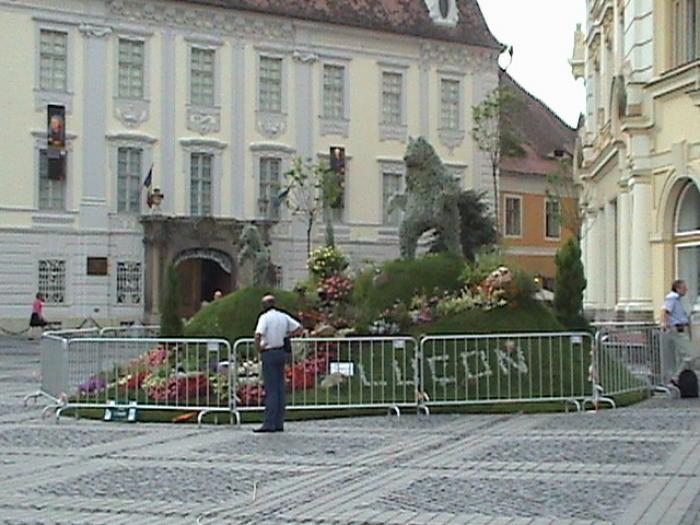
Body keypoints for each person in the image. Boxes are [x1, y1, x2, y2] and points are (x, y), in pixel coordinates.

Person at [253, 294, 302, 433]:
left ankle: (269, 422)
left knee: (271, 389)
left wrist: (258, 347)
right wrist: (286, 335)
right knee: (280, 387)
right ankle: (279, 422)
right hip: (281, 351)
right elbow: (299, 328)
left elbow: (258, 334)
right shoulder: (283, 316)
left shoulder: (264, 318)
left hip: (269, 352)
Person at [661, 280, 696, 385]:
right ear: (677, 288)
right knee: (691, 355)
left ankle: (679, 378)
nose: (686, 290)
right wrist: (665, 323)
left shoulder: (678, 300)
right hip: (677, 330)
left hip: (681, 329)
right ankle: (676, 377)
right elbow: (665, 311)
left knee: (683, 356)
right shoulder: (672, 298)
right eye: (683, 288)